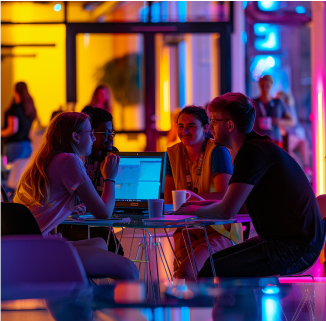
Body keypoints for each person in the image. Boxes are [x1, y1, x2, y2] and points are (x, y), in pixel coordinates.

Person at [176, 93, 324, 278]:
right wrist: (199, 205)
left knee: (210, 271)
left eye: (214, 121)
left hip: (295, 246)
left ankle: (239, 308)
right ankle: (241, 307)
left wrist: (191, 212)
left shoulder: (251, 153)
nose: (210, 127)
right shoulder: (256, 146)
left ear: (229, 125)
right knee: (211, 265)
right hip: (292, 240)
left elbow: (227, 211)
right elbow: (242, 206)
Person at [14, 112, 138, 280]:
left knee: (100, 243)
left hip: (24, 246)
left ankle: (79, 299)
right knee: (129, 269)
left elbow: (45, 203)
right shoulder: (69, 160)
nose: (94, 139)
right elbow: (104, 212)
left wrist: (70, 207)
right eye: (90, 133)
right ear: (75, 137)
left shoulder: (46, 159)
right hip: (40, 250)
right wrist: (109, 177)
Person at [164, 106, 243, 279]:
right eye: (180, 125)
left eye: (191, 126)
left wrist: (190, 200)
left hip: (219, 230)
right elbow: (169, 200)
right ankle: (201, 306)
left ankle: (206, 304)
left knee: (186, 272)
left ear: (206, 128)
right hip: (186, 229)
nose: (184, 131)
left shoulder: (217, 150)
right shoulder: (171, 154)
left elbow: (224, 195)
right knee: (186, 276)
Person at [57, 106, 123, 255]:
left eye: (111, 132)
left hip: (99, 219)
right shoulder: (72, 158)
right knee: (113, 249)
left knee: (114, 249)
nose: (111, 137)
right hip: (72, 223)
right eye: (105, 133)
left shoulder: (111, 156)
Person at [276, 91, 312, 180]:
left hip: (289, 137)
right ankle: (301, 176)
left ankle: (306, 168)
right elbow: (288, 123)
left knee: (303, 143)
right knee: (293, 157)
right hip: (283, 138)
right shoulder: (276, 110)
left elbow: (292, 123)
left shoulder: (288, 110)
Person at [252, 75, 293, 148]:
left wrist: (277, 121)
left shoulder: (278, 103)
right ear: (259, 85)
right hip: (257, 140)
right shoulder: (253, 102)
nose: (264, 88)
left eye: (267, 86)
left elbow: (291, 121)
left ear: (271, 85)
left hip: (275, 140)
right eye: (262, 86)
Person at [0, 82, 36, 163]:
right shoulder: (30, 109)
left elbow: (13, 129)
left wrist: (1, 133)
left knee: (10, 173)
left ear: (15, 91)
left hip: (14, 146)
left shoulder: (14, 108)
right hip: (28, 146)